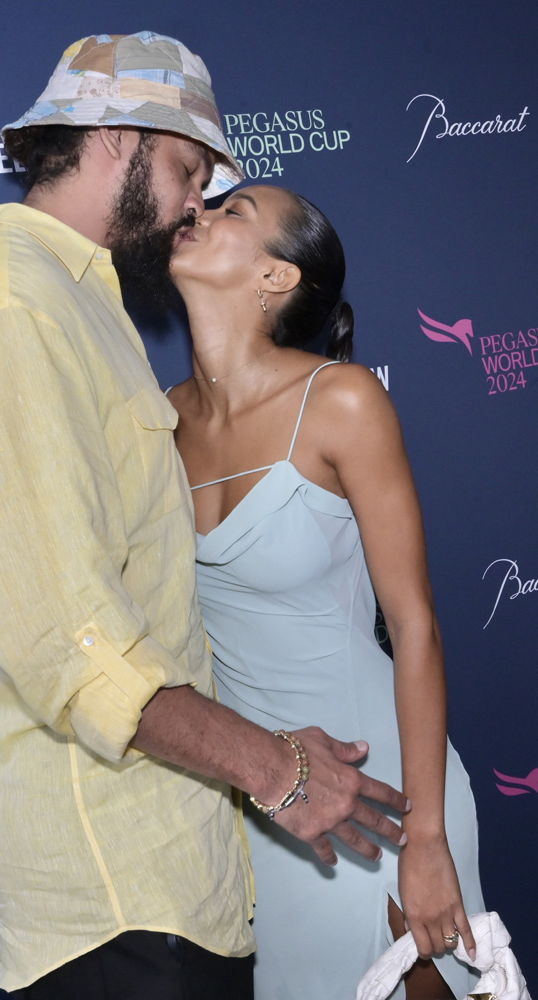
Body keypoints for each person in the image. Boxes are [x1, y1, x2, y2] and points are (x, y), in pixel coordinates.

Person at [0, 34, 408, 999]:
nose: (191, 203)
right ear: (114, 140)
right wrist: (278, 771)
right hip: (109, 891)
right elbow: (70, 641)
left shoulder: (87, 307)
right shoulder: (11, 310)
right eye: (183, 168)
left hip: (177, 874)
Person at [168, 184, 486, 1000]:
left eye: (231, 212)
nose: (197, 213)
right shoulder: (156, 421)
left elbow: (415, 627)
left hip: (382, 794)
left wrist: (427, 837)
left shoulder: (341, 401)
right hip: (263, 799)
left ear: (276, 277)